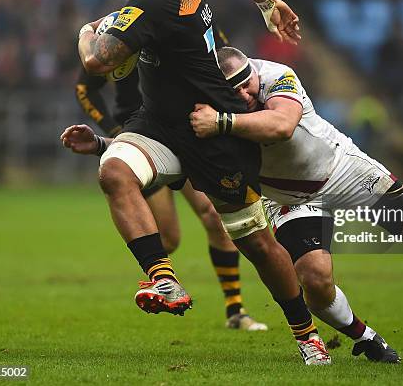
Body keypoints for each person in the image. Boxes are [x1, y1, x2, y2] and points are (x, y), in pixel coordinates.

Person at [75, 0, 330, 365]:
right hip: (157, 125)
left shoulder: (153, 7)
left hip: (211, 131)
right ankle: (163, 277)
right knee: (114, 171)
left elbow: (97, 62)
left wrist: (85, 31)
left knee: (256, 243)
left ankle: (305, 333)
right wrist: (269, 2)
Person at [185, 47, 403, 358]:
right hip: (290, 199)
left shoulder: (277, 75)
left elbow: (282, 125)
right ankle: (367, 339)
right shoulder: (205, 107)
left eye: (248, 82)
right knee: (314, 280)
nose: (246, 92)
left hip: (342, 169)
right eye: (236, 89)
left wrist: (222, 122)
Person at [74, 44, 267, 330]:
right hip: (143, 138)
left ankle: (235, 309)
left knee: (214, 216)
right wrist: (117, 133)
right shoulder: (121, 32)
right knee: (170, 238)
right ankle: (159, 275)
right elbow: (84, 88)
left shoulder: (194, 22)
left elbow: (228, 64)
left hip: (190, 134)